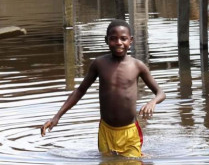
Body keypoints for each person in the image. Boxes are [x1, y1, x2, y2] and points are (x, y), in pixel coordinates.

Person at [41, 19, 165, 157]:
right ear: (106, 40)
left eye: (123, 39)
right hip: (106, 130)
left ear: (131, 41)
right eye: (113, 39)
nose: (119, 43)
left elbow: (160, 93)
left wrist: (152, 102)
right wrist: (57, 117)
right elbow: (80, 90)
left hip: (129, 131)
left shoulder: (138, 66)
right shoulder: (99, 64)